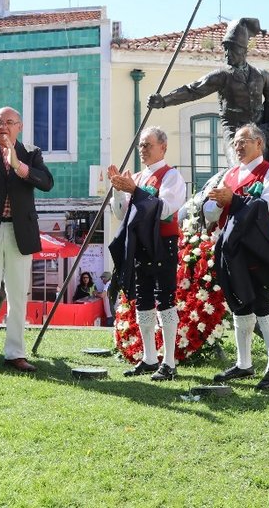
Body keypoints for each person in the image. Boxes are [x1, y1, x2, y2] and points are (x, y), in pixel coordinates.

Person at [0, 106, 54, 373]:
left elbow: (47, 182)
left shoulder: (31, 153)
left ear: (20, 126)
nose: (4, 127)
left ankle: (15, 353)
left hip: (20, 232)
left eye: (9, 122)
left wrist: (18, 166)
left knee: (17, 295)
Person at [206, 124, 269, 390]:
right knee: (239, 305)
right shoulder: (229, 174)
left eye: (244, 141)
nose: (238, 147)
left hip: (257, 250)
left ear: (259, 144)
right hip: (232, 251)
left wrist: (235, 200)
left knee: (264, 305)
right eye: (236, 143)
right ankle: (244, 363)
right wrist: (217, 203)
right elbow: (209, 212)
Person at [148, 17, 269, 164]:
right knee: (239, 165)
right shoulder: (222, 75)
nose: (227, 53)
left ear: (243, 51)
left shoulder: (261, 76)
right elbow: (192, 90)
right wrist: (163, 101)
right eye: (225, 49)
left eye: (232, 49)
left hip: (259, 131)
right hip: (234, 133)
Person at [108, 126, 186, 381]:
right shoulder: (139, 177)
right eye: (141, 145)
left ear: (163, 147)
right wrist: (119, 190)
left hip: (163, 243)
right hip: (140, 245)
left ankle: (170, 362)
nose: (143, 149)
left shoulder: (171, 176)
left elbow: (165, 208)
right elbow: (122, 214)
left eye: (148, 145)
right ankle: (150, 358)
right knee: (142, 300)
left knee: (165, 300)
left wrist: (134, 191)